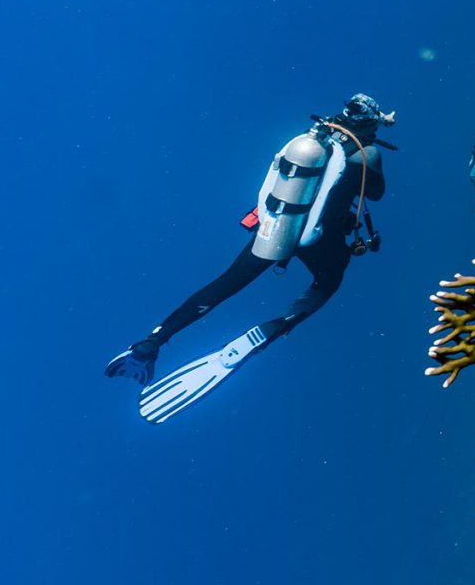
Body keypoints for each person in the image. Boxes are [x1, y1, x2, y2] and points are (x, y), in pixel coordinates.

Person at [105, 93, 394, 422]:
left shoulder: (315, 136)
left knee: (226, 283)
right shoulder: (366, 151)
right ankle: (280, 325)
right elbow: (376, 193)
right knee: (328, 282)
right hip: (318, 238)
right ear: (371, 124)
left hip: (275, 230)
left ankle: (153, 341)